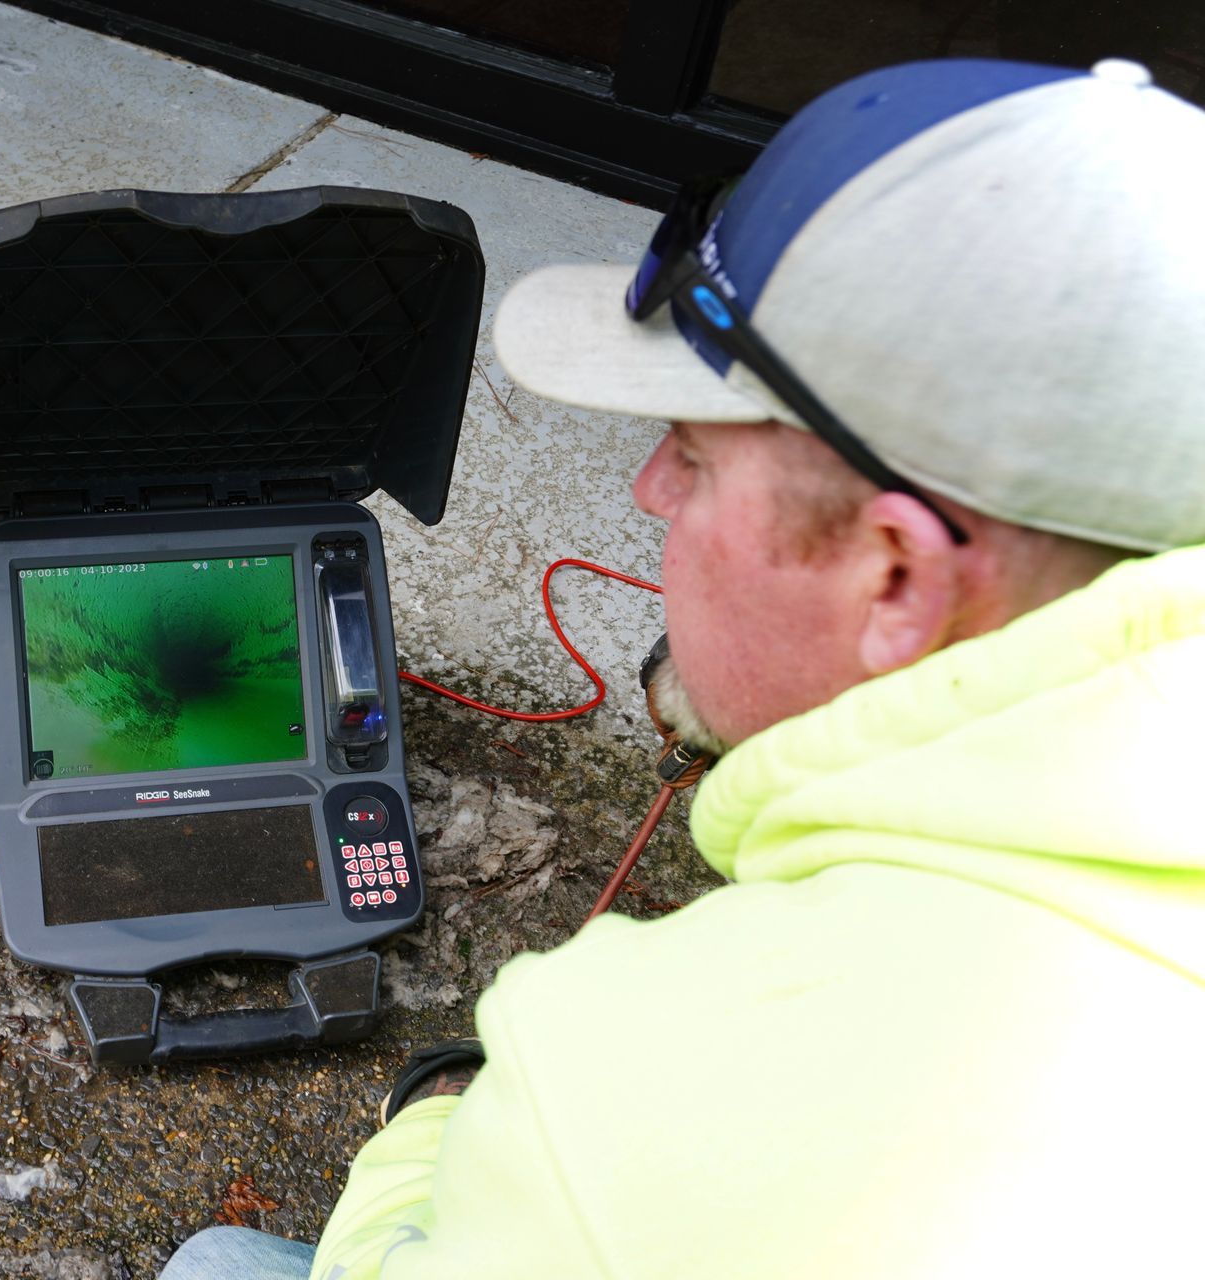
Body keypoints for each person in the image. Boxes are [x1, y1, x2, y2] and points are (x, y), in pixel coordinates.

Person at [160, 54, 1205, 1279]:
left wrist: (436, 1122)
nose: (649, 486)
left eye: (698, 458)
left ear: (899, 579)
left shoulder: (635, 1083)